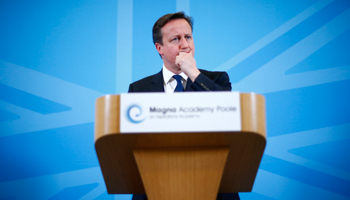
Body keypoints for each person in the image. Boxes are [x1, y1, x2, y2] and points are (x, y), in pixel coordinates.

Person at [129, 12, 239, 200]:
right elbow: (134, 143)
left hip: (213, 183)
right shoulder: (139, 89)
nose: (185, 45)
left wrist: (193, 74)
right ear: (159, 48)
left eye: (188, 37)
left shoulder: (217, 80)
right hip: (157, 183)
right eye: (175, 39)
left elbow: (227, 111)